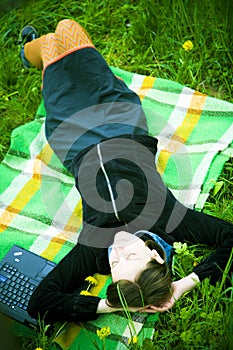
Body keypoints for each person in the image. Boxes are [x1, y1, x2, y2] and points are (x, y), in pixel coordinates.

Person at [18, 19, 233, 323]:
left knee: (54, 45)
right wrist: (184, 285)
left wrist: (112, 306)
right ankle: (42, 64)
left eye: (116, 266)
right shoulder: (169, 221)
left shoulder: (93, 250)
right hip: (121, 118)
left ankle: (29, 54)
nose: (118, 251)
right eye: (132, 256)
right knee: (68, 27)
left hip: (73, 136)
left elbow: (39, 303)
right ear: (157, 255)